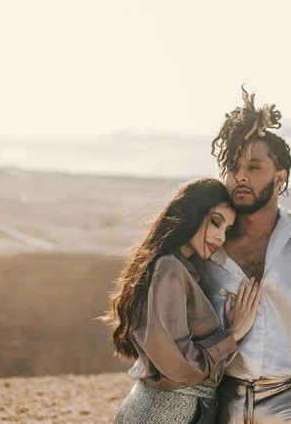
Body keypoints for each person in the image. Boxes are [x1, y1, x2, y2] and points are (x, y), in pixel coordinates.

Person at [199, 86, 291, 424]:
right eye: (233, 166)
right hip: (217, 402)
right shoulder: (207, 245)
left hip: (290, 403)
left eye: (253, 167)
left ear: (279, 178)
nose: (240, 176)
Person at [101, 177, 263, 424]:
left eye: (227, 230)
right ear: (192, 212)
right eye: (216, 223)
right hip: (168, 412)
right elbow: (177, 363)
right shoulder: (169, 268)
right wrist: (232, 334)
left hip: (160, 407)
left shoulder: (181, 269)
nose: (220, 237)